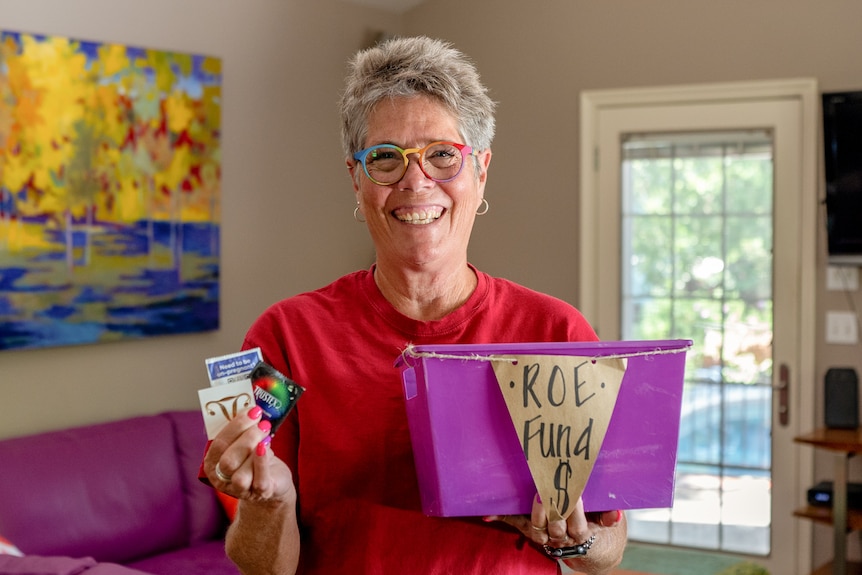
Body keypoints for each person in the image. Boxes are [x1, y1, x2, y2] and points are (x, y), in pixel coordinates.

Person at [203, 35, 627, 575]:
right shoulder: (281, 335)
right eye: (385, 158)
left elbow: (611, 548)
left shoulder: (558, 331)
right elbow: (260, 565)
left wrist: (575, 538)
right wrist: (271, 502)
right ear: (356, 178)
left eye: (442, 155)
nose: (415, 180)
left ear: (481, 170)